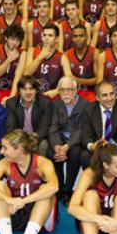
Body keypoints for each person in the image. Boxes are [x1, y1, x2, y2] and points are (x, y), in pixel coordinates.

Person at [49, 76, 90, 204]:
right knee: (52, 153)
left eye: (69, 90)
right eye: (62, 90)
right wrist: (57, 146)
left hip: (76, 140)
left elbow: (81, 130)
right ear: (58, 91)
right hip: (59, 138)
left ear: (76, 90)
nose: (66, 93)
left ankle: (67, 189)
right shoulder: (55, 104)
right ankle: (59, 187)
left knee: (76, 153)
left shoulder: (85, 105)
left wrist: (67, 146)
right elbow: (53, 127)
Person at [80, 81, 117, 169]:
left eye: (112, 94)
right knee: (84, 155)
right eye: (104, 95)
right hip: (97, 148)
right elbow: (86, 135)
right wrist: (92, 146)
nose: (109, 98)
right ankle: (92, 181)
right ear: (97, 98)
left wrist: (113, 147)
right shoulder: (89, 109)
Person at [5, 76, 54, 158]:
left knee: (43, 145)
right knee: (11, 144)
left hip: (37, 138)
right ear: (19, 90)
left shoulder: (45, 103)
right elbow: (11, 127)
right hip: (19, 138)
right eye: (24, 89)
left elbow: (44, 129)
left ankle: (39, 169)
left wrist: (31, 142)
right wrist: (21, 142)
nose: (28, 92)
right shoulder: (11, 103)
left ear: (36, 90)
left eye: (31, 89)